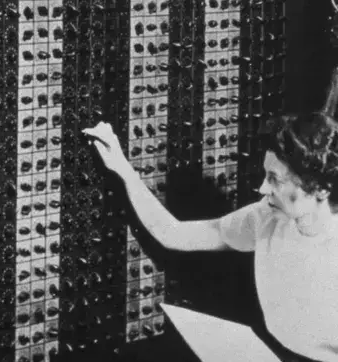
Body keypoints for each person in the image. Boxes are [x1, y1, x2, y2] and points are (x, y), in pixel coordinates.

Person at [84, 108, 338, 362]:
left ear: (320, 189)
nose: (262, 188)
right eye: (265, 175)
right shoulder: (265, 219)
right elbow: (173, 233)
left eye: (275, 179)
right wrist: (122, 167)